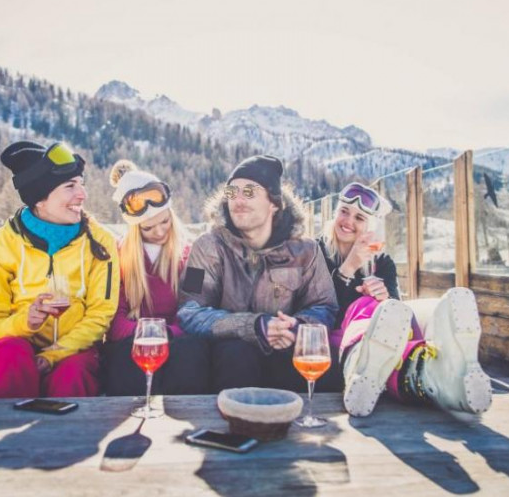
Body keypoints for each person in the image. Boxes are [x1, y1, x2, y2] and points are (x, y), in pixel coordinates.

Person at [177, 154, 341, 393]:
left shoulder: (307, 250)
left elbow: (325, 306)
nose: (238, 200)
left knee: (325, 362)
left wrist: (296, 327)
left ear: (274, 203)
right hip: (227, 360)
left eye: (249, 192)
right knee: (236, 353)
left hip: (285, 353)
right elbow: (188, 310)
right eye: (232, 192)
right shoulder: (205, 246)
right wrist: (255, 326)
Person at [0, 141, 119, 399]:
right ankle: (5, 433)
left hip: (74, 348)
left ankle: (64, 439)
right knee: (9, 355)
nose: (82, 194)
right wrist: (26, 321)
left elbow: (101, 314)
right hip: (16, 349)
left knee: (73, 374)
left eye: (81, 183)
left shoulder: (100, 242)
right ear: (40, 198)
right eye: (70, 186)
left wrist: (54, 355)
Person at [102, 160, 210, 395]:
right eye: (148, 228)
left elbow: (195, 308)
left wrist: (165, 334)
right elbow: (115, 323)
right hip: (134, 344)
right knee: (125, 356)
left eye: (164, 222)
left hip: (178, 341)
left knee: (189, 352)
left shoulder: (193, 256)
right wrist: (148, 336)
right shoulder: (118, 256)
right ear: (134, 229)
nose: (160, 232)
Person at [340, 288, 493, 417]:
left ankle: (359, 371)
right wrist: (346, 273)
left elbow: (396, 304)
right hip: (364, 322)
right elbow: (328, 305)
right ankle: (437, 380)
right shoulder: (326, 258)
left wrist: (384, 293)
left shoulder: (383, 261)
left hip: (395, 327)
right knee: (378, 341)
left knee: (383, 340)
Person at [317, 182, 398, 348]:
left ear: (370, 227)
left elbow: (397, 315)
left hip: (367, 345)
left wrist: (384, 298)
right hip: (324, 344)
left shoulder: (382, 263)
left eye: (359, 218)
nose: (348, 221)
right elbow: (321, 311)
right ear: (335, 213)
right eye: (344, 212)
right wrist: (348, 269)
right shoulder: (315, 251)